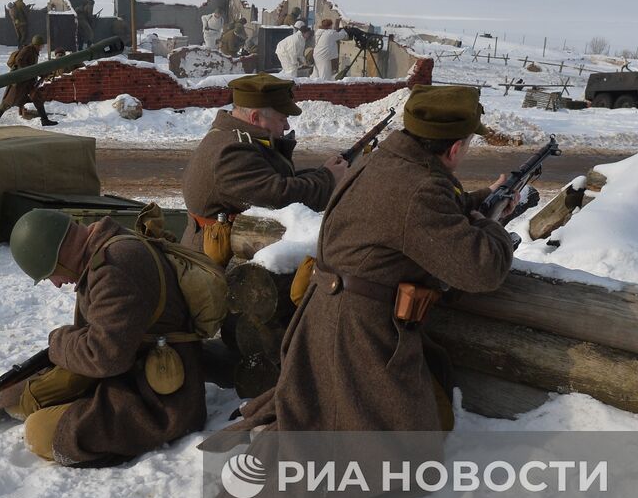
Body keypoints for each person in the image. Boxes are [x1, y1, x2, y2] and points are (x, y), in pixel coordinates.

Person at [214, 85, 516, 439]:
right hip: (359, 335)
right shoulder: (420, 187)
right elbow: (482, 270)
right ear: (454, 148)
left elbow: (420, 216)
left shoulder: (389, 160)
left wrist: (482, 200)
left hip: (332, 317)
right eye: (466, 145)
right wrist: (489, 225)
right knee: (394, 457)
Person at [0, 208, 206, 466]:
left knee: (40, 432)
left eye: (49, 274)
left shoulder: (115, 267)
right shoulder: (107, 250)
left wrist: (58, 341)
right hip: (132, 367)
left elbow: (104, 357)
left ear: (56, 257)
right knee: (27, 397)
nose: (55, 283)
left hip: (162, 399)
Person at [180, 73, 346, 259]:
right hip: (215, 265)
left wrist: (323, 172)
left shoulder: (232, 136)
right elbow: (278, 197)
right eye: (282, 119)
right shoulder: (232, 152)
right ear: (255, 117)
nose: (286, 126)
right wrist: (328, 179)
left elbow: (272, 179)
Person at [0, 35, 57, 127]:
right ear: (37, 45)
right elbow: (19, 60)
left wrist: (39, 74)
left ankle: (44, 120)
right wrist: (27, 72)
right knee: (7, 102)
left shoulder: (34, 51)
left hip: (28, 82)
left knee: (37, 98)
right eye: (41, 45)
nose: (42, 48)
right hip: (19, 82)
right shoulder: (28, 50)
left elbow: (33, 67)